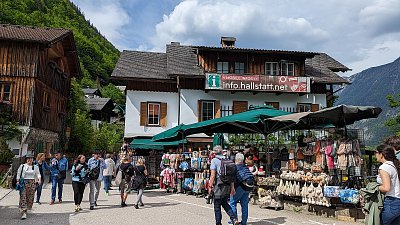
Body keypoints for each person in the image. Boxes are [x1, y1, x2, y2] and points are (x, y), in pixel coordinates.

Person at [209, 145, 239, 225]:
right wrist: (232, 187)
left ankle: (218, 223)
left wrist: (210, 185)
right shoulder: (227, 160)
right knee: (225, 203)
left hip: (219, 185)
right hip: (228, 185)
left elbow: (213, 175)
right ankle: (234, 219)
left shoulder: (214, 160)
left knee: (217, 206)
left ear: (214, 152)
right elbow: (232, 176)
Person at [375, 144, 400, 225]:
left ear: (381, 154)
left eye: (376, 152)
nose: (375, 154)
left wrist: (374, 188)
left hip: (390, 202)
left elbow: (386, 188)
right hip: (397, 201)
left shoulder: (384, 167)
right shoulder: (392, 165)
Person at [230, 153, 253, 225]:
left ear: (236, 159)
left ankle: (234, 220)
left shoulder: (235, 167)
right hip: (248, 186)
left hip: (240, 187)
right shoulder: (245, 166)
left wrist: (232, 188)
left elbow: (233, 179)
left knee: (233, 203)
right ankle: (244, 222)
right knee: (244, 205)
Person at [17, 154, 41, 220]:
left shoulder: (35, 167)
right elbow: (18, 174)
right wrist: (17, 181)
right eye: (28, 158)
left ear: (33, 160)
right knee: (23, 197)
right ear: (26, 160)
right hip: (23, 183)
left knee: (30, 197)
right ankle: (23, 211)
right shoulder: (22, 166)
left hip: (32, 183)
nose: (30, 160)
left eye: (31, 158)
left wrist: (39, 179)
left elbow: (38, 173)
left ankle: (27, 208)